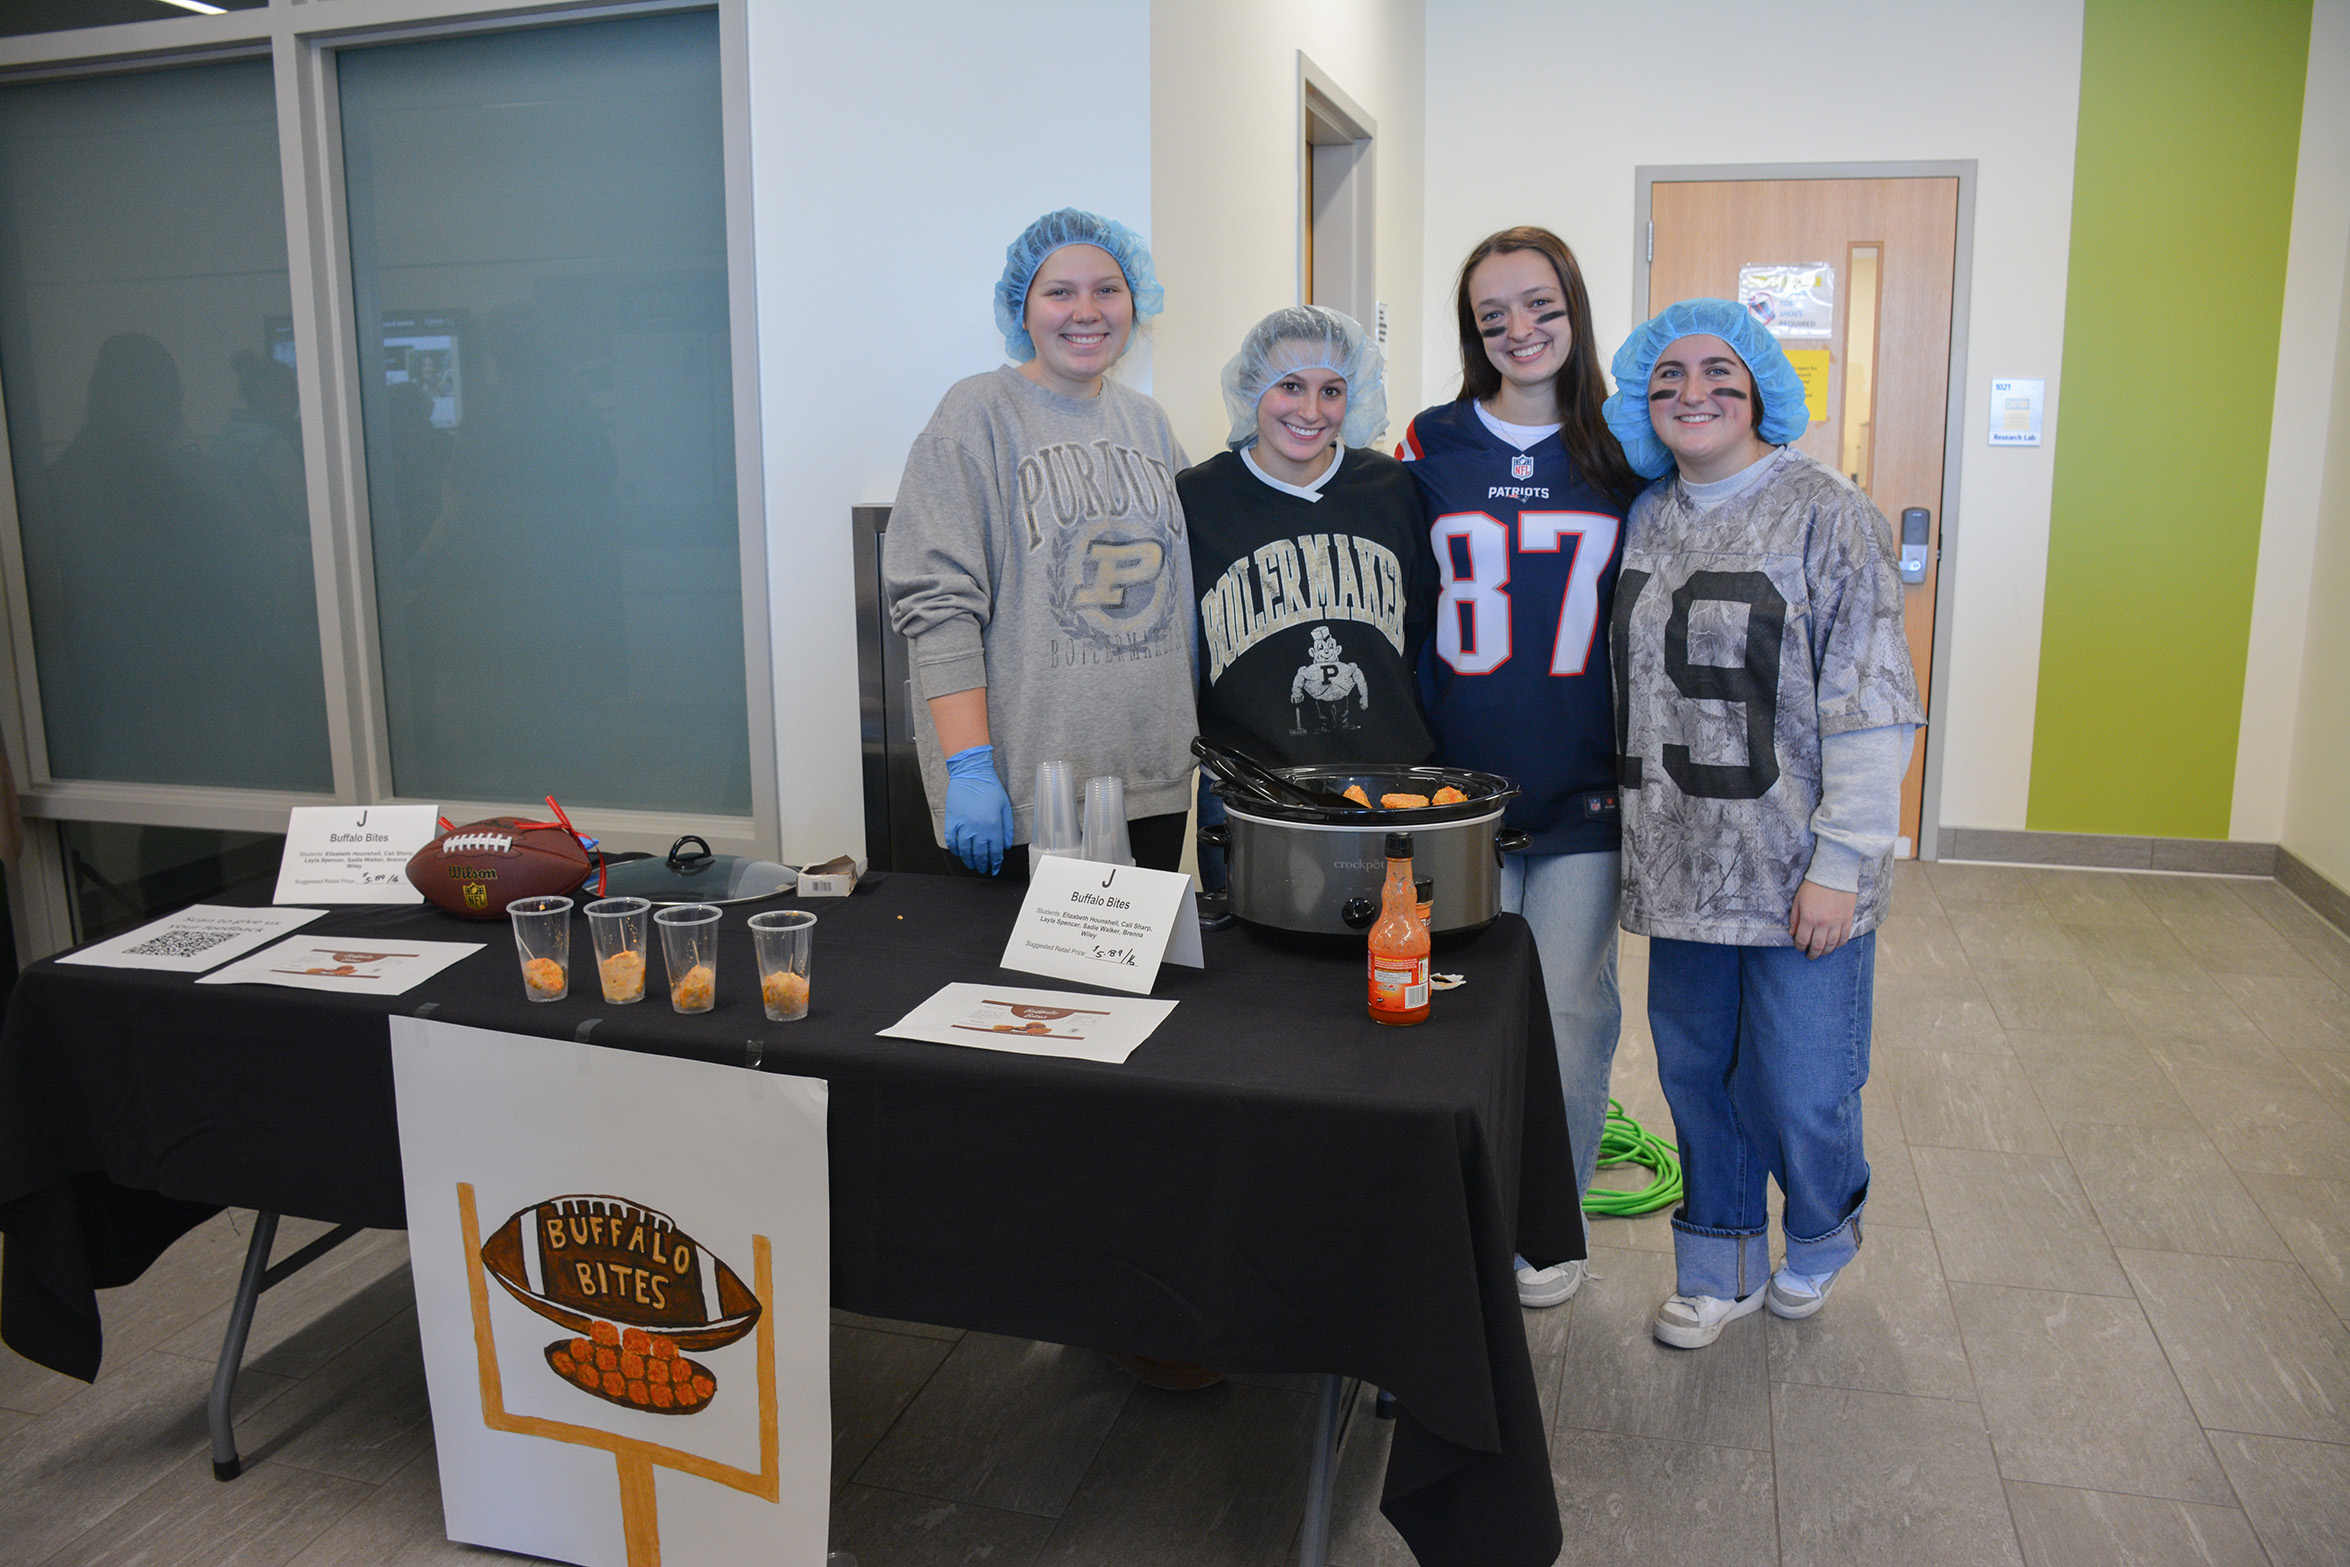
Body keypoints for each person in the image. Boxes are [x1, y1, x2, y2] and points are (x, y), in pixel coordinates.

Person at [1601, 298, 1923, 1348]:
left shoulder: (1828, 512)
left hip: (1799, 866)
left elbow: (1872, 694)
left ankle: (1823, 1228)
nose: (1691, 393)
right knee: (1696, 1074)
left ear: (1762, 394)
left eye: (1719, 374)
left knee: (1800, 1082)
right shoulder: (1646, 513)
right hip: (1683, 860)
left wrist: (1843, 858)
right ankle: (1719, 1259)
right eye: (1668, 378)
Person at [1397, 228, 1642, 1309]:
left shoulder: (1622, 449)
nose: (1519, 329)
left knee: (1571, 1010)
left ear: (1574, 309)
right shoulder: (1428, 440)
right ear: (1472, 328)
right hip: (1456, 788)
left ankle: (1553, 1217)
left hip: (1586, 780)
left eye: (1538, 305)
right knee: (1460, 1009)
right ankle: (1460, 1212)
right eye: (1493, 313)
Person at [885, 209, 1196, 878]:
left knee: (1142, 984)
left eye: (1108, 290)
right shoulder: (975, 416)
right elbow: (938, 604)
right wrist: (969, 766)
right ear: (1022, 309)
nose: (1086, 311)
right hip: (1028, 797)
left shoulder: (1149, 423)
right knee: (1027, 986)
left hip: (1150, 785)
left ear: (1135, 303)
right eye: (1060, 292)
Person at [1181, 305, 1434, 772]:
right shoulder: (1197, 498)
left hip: (1388, 779)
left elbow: (1420, 626)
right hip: (1251, 791)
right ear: (1253, 385)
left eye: (1331, 391)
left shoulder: (1391, 487)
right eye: (1290, 385)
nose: (1311, 411)